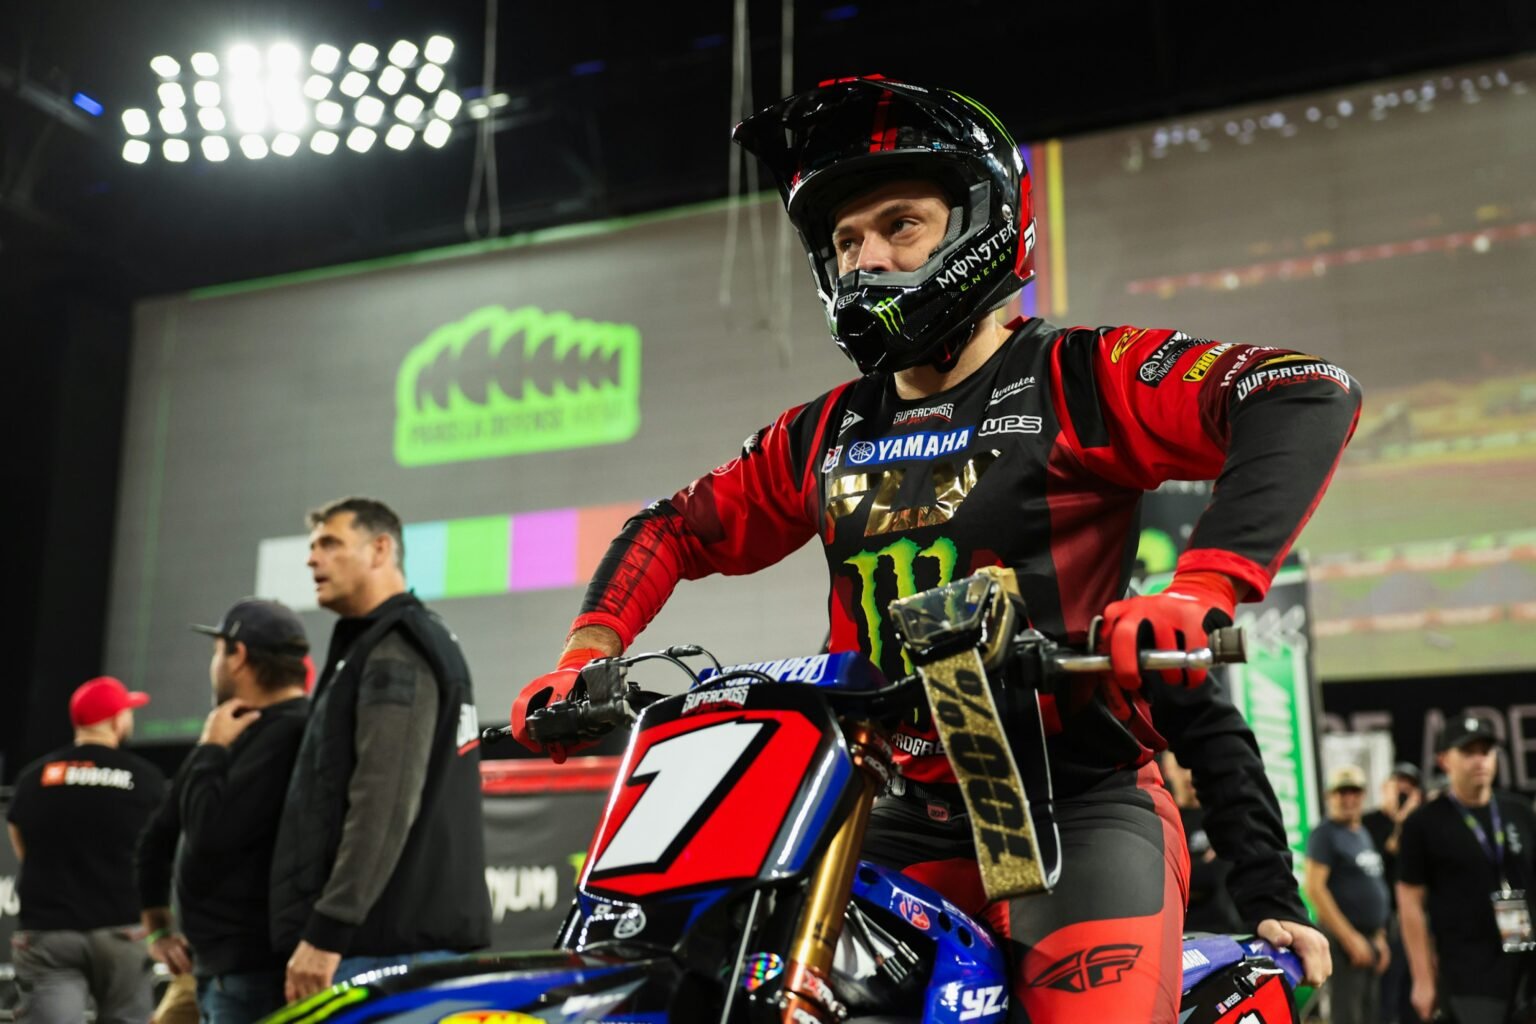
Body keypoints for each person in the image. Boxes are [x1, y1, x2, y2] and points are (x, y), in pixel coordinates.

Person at [512, 76, 1352, 1023]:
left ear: (980, 222)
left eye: (900, 225)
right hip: (886, 815)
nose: (867, 258)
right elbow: (671, 526)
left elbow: (1303, 389)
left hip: (1078, 811)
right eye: (845, 241)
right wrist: (587, 651)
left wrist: (1203, 585)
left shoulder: (1077, 374)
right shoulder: (821, 432)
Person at [270, 497, 490, 1004]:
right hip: (388, 944)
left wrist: (328, 930)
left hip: (384, 950)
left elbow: (384, 801)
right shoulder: (384, 641)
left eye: (330, 543)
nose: (312, 558)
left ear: (380, 550)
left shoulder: (397, 646)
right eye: (312, 546)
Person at [135, 598, 312, 1024]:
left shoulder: (297, 733)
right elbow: (157, 839)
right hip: (214, 970)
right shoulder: (228, 732)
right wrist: (159, 929)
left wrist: (212, 748)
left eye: (217, 652)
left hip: (259, 973)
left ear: (239, 656)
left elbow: (208, 833)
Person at [6, 676, 165, 1023]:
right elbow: (159, 854)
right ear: (116, 720)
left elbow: (21, 842)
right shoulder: (145, 778)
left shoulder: (35, 777)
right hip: (122, 929)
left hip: (49, 932)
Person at [1399, 715, 1536, 1024]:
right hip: (1467, 972)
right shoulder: (1424, 823)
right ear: (1444, 760)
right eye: (1468, 752)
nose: (1480, 760)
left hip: (1527, 964)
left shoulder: (1520, 812)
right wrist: (1422, 977)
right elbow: (1410, 902)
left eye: (1485, 751)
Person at [1304, 765, 1390, 1024]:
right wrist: (1350, 938)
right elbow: (1314, 889)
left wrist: (1379, 937)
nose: (1348, 799)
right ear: (1329, 796)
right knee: (1346, 1015)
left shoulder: (1361, 833)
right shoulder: (1325, 834)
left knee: (1369, 1014)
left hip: (1369, 939)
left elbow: (1372, 884)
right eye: (1341, 792)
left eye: (1354, 792)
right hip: (1342, 941)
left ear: (1363, 795)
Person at [1159, 751, 1244, 934]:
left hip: (1225, 930)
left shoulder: (1223, 817)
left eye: (1193, 766)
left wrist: (1184, 871)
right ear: (1167, 770)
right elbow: (1161, 884)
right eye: (1182, 767)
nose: (1189, 774)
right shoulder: (1160, 821)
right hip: (1179, 934)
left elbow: (1219, 875)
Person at [1363, 761, 1422, 1024]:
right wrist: (1400, 822)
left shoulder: (1420, 826)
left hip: (1413, 918)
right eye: (1398, 786)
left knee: (1412, 994)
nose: (1402, 794)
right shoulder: (1370, 822)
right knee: (1385, 996)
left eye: (1409, 790)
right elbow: (1386, 853)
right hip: (1384, 922)